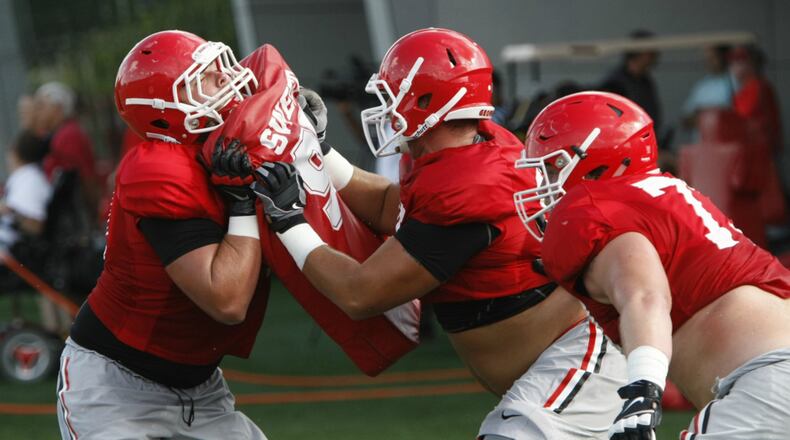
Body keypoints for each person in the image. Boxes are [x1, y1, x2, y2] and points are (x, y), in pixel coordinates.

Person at [249, 28, 627, 439]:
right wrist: (316, 153)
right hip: (564, 363)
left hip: (576, 362)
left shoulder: (467, 187)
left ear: (428, 101)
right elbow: (388, 208)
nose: (385, 107)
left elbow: (360, 294)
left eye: (392, 94)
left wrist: (287, 220)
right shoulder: (466, 150)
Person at [514, 90, 790, 439]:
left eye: (553, 168)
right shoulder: (665, 193)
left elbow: (645, 295)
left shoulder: (594, 208)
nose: (545, 185)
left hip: (766, 382)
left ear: (593, 162)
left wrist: (643, 390)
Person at [56, 30, 269, 439]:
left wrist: (316, 149)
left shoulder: (228, 150)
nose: (226, 80)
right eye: (205, 77)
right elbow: (226, 300)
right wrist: (242, 207)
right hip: (115, 387)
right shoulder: (161, 170)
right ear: (165, 109)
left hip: (202, 392)